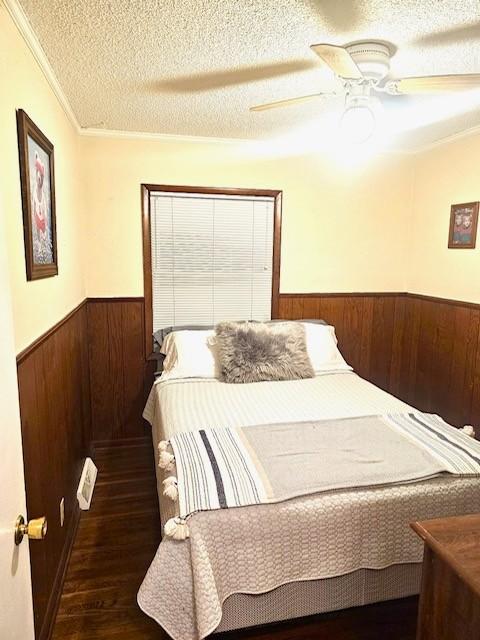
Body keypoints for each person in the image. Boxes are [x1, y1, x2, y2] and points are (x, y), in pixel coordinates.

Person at [31, 152, 52, 262]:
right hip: (38, 215)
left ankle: (41, 247)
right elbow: (38, 175)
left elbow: (41, 177)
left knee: (42, 232)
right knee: (39, 233)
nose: (39, 180)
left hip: (41, 216)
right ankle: (40, 247)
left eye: (40, 179)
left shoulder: (40, 188)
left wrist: (38, 161)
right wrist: (36, 160)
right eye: (38, 178)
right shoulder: (36, 188)